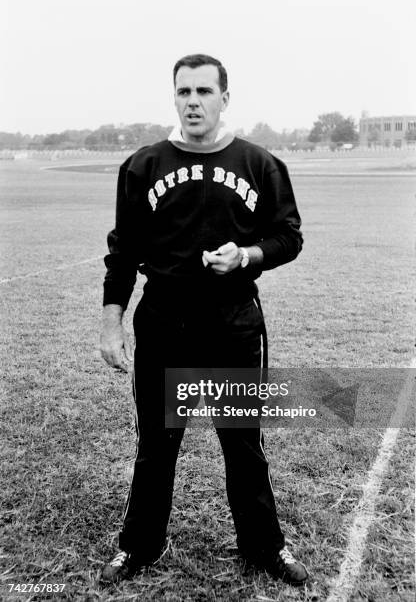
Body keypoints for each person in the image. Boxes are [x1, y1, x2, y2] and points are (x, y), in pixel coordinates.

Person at [99, 54, 308, 587]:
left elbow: (288, 237)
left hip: (233, 324)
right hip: (165, 323)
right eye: (184, 91)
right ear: (174, 97)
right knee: (157, 444)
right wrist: (111, 325)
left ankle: (264, 546)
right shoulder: (143, 166)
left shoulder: (259, 164)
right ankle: (140, 545)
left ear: (224, 98)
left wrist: (247, 255)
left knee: (242, 443)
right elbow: (123, 253)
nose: (193, 101)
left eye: (204, 92)